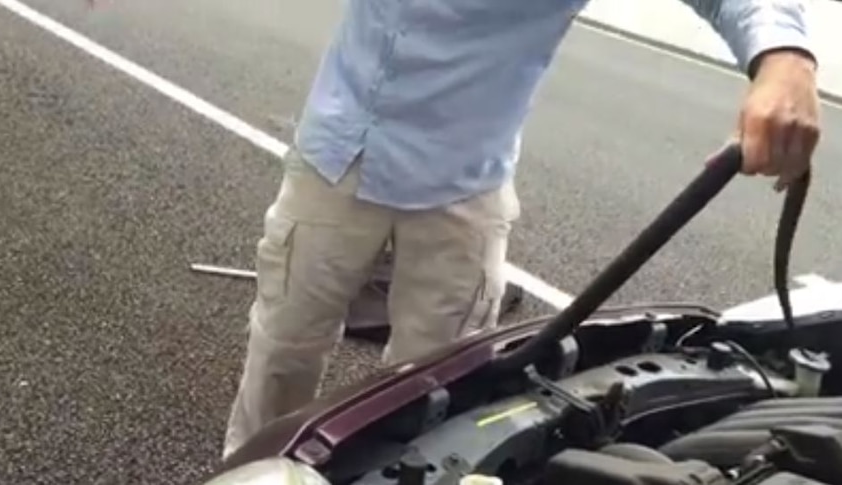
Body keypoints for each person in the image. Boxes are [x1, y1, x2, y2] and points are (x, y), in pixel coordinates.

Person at [222, 0, 821, 458]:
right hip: (338, 151)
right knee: (283, 346)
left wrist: (785, 60)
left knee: (431, 389)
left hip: (464, 183)